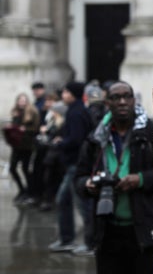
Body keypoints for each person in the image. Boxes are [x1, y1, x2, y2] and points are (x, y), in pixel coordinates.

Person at [75, 81, 153, 274]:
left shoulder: (151, 132)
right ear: (107, 103)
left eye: (127, 96)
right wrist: (88, 185)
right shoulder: (96, 138)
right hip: (107, 232)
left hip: (144, 231)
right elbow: (79, 178)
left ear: (134, 100)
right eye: (115, 98)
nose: (122, 102)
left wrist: (140, 180)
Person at [49, 81, 94, 254]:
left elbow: (76, 139)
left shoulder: (75, 113)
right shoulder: (77, 110)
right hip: (75, 164)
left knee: (81, 205)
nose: (63, 95)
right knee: (66, 201)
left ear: (72, 94)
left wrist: (61, 143)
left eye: (66, 92)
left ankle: (89, 243)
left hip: (76, 165)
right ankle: (67, 239)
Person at [7, 92, 40, 204]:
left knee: (26, 169)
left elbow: (36, 128)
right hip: (16, 145)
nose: (22, 103)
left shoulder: (32, 111)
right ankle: (22, 190)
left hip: (27, 145)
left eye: (24, 100)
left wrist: (25, 129)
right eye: (20, 100)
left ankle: (29, 192)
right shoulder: (16, 113)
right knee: (12, 168)